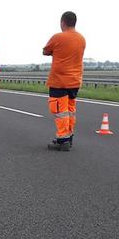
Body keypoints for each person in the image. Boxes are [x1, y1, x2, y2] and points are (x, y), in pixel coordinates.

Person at [43, 11, 86, 151]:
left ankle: (62, 140)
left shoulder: (58, 37)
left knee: (60, 111)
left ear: (62, 22)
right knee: (70, 110)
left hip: (59, 80)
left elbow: (45, 51)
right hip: (75, 81)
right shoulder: (81, 39)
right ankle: (69, 136)